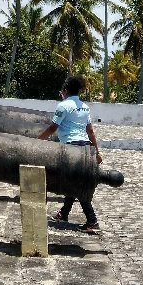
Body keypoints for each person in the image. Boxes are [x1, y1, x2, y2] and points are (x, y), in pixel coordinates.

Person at [37, 73, 103, 234]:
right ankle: (64, 213)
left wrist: (38, 141)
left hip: (70, 147)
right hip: (85, 147)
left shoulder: (63, 106)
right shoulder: (85, 107)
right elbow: (90, 130)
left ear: (65, 90)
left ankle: (92, 220)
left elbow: (53, 127)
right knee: (73, 180)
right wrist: (97, 151)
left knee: (75, 183)